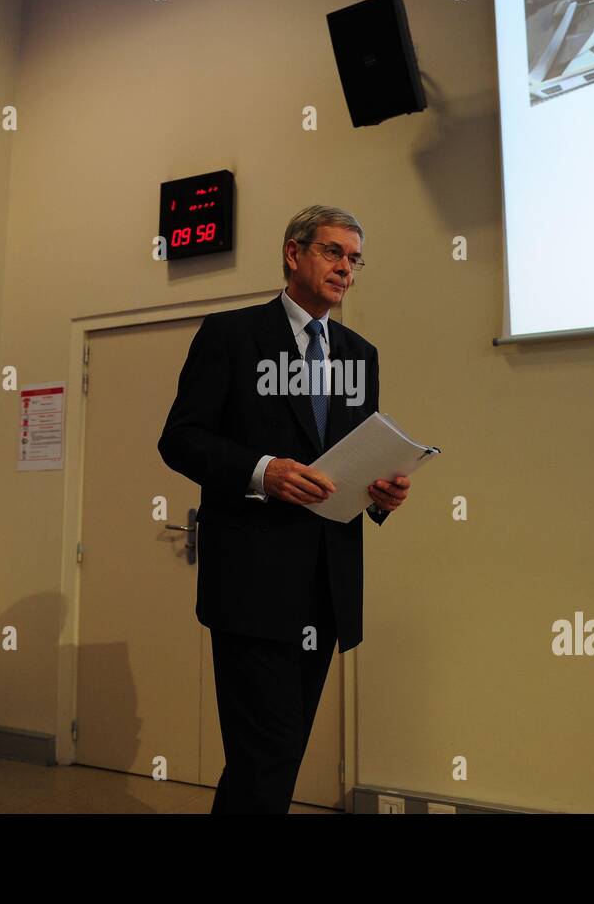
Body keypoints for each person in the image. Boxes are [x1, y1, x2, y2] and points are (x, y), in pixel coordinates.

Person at [158, 205, 410, 813]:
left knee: (276, 753)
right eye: (332, 252)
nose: (345, 268)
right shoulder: (231, 335)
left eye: (354, 259)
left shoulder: (360, 353)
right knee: (266, 752)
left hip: (326, 584)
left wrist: (381, 493)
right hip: (252, 586)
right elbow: (181, 439)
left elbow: (351, 455)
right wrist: (262, 471)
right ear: (293, 254)